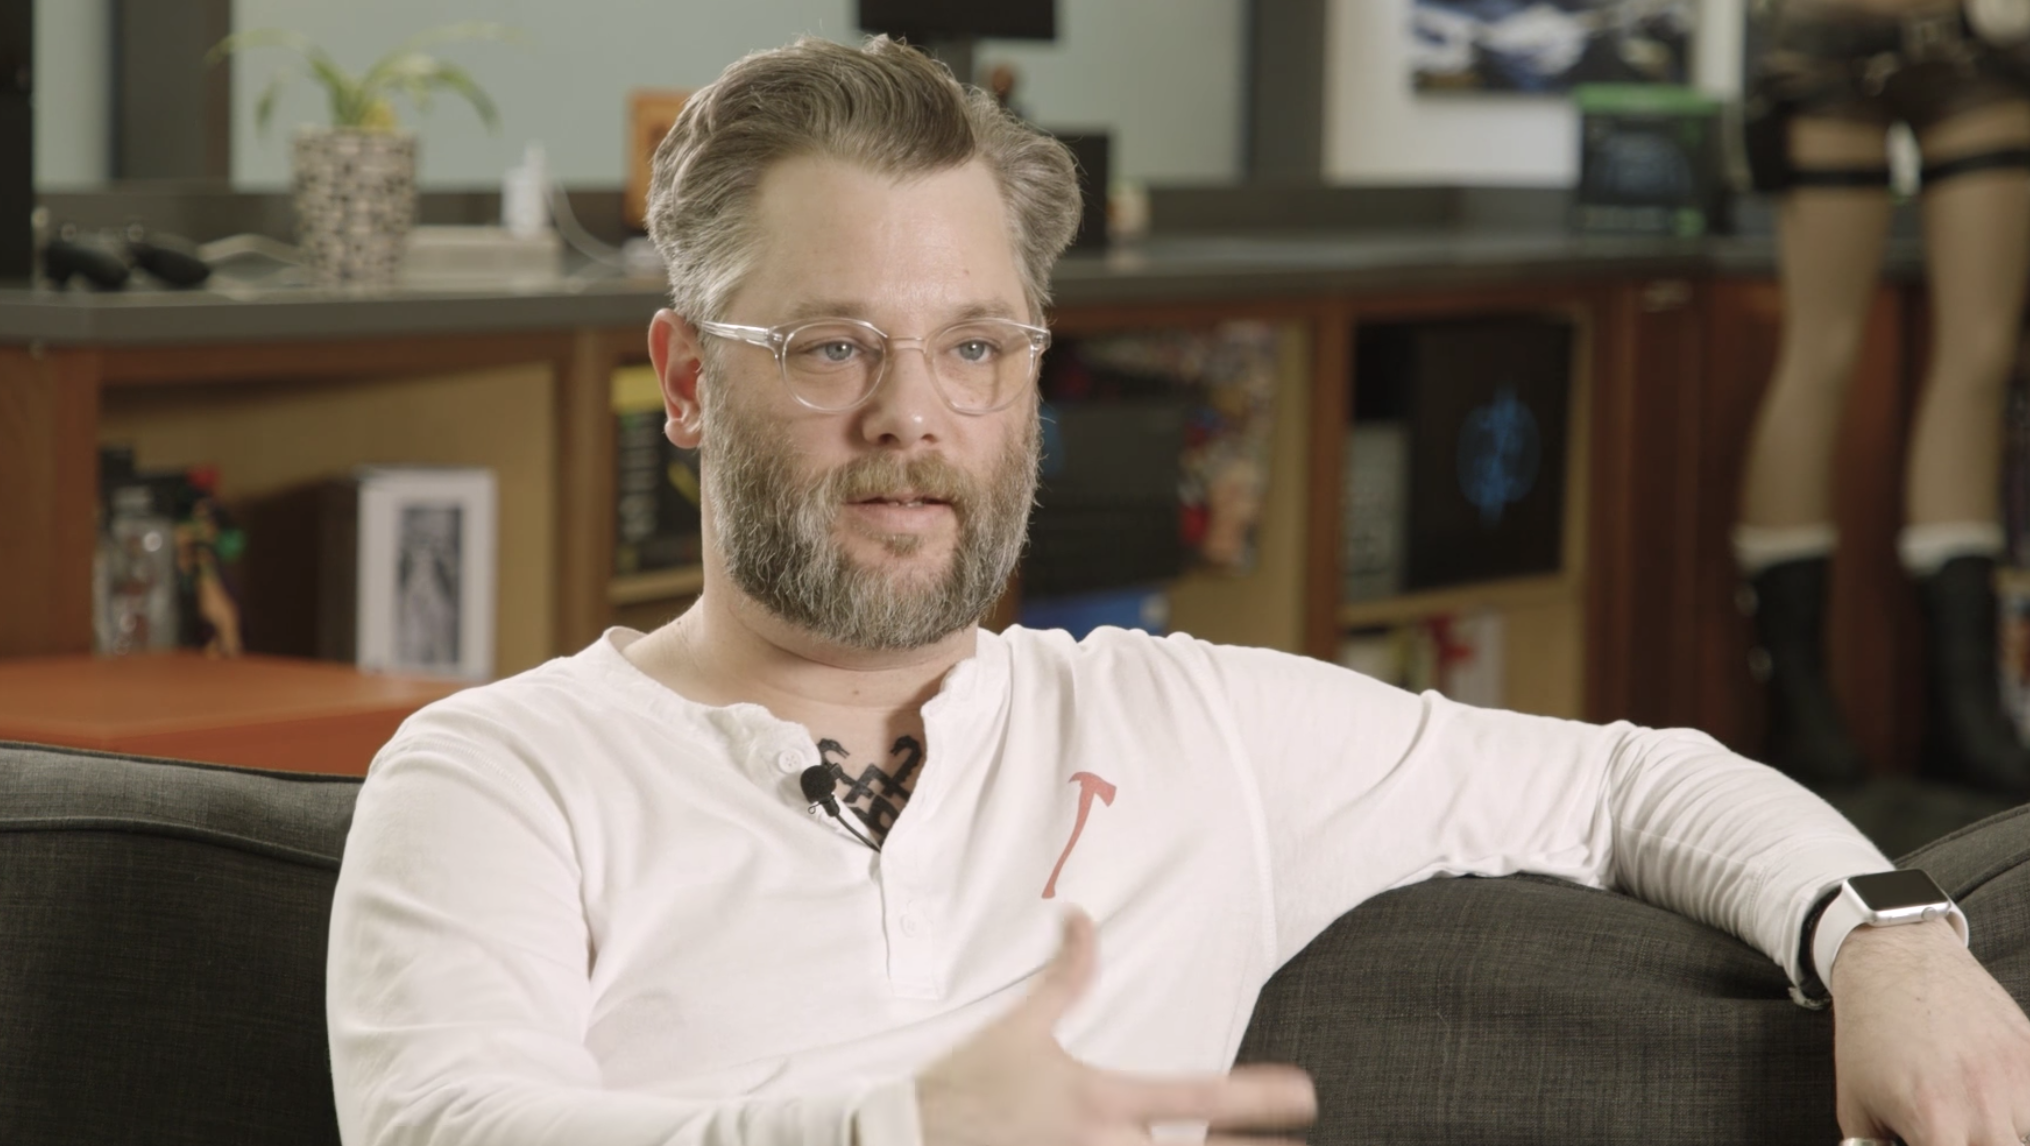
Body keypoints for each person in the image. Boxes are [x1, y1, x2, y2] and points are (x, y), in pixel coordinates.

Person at [327, 34, 2030, 1146]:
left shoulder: (1189, 724)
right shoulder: (497, 772)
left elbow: (1624, 782)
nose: (913, 416)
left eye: (975, 346)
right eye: (833, 345)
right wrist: (906, 1124)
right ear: (687, 384)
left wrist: (1885, 933)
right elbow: (446, 1128)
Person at [1738, 0, 2030, 793]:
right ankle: (1797, 703)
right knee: (1819, 352)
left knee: (1978, 355)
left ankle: (1964, 711)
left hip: (1977, 46)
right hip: (1828, 39)